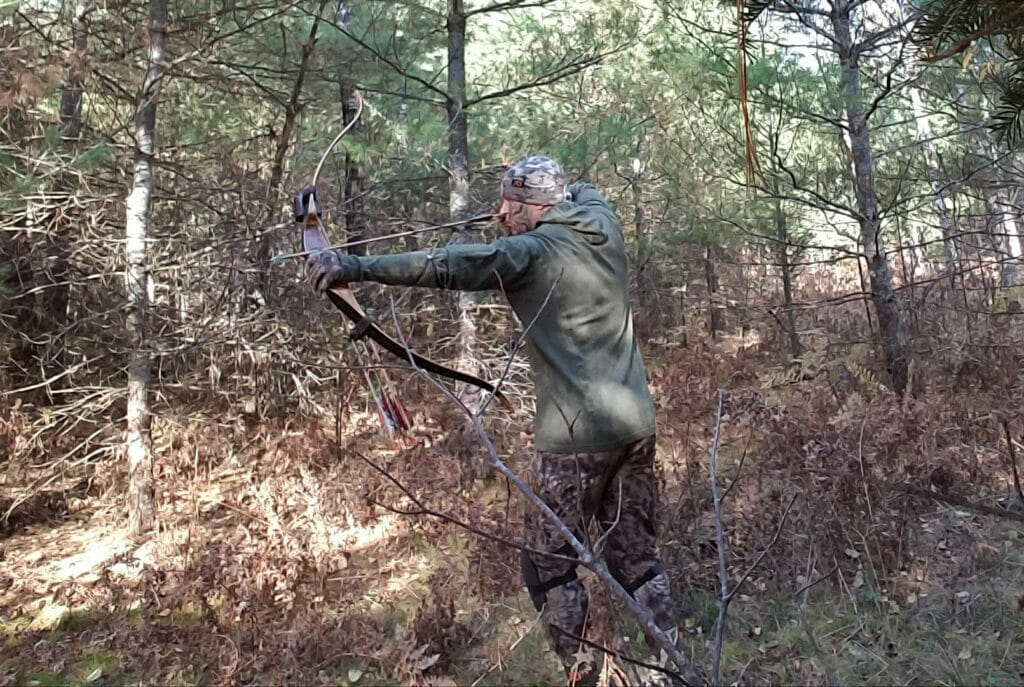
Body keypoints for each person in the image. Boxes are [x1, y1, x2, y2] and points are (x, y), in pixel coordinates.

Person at [304, 156, 677, 683]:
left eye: (513, 204)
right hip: (636, 425)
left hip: (575, 439)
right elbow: (588, 189)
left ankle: (585, 675)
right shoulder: (601, 220)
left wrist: (355, 267)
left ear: (542, 207)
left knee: (546, 567)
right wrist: (556, 193)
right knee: (636, 557)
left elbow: (451, 264)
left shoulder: (530, 253)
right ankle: (670, 667)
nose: (502, 213)